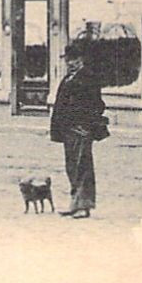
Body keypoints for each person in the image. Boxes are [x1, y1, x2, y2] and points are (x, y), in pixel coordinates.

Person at [51, 54, 109, 219]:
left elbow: (97, 105)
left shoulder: (88, 79)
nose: (69, 63)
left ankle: (84, 205)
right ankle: (75, 203)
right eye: (67, 60)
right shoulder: (68, 79)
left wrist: (86, 125)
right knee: (71, 166)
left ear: (81, 60)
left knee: (82, 166)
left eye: (73, 60)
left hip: (81, 130)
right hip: (68, 129)